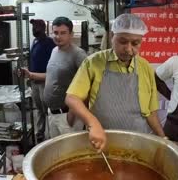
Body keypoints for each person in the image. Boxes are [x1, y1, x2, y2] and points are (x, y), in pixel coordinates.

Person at [65, 14, 166, 152]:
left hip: (138, 143)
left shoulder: (145, 67)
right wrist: (92, 123)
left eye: (135, 43)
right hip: (102, 143)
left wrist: (163, 139)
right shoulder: (94, 63)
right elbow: (72, 98)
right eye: (123, 42)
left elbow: (151, 113)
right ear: (112, 36)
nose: (129, 49)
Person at [23, 17, 87, 138]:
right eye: (55, 32)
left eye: (63, 33)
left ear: (71, 34)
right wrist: (31, 75)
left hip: (67, 115)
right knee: (57, 153)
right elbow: (52, 76)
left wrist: (72, 114)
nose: (58, 36)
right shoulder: (54, 51)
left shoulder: (78, 54)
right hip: (52, 113)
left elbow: (88, 85)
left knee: (70, 153)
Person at [22, 19, 56, 142]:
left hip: (44, 81)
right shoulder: (34, 42)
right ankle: (40, 134)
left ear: (43, 28)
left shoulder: (50, 43)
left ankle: (51, 135)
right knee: (39, 109)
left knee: (47, 108)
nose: (34, 30)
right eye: (33, 28)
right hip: (34, 81)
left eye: (37, 27)